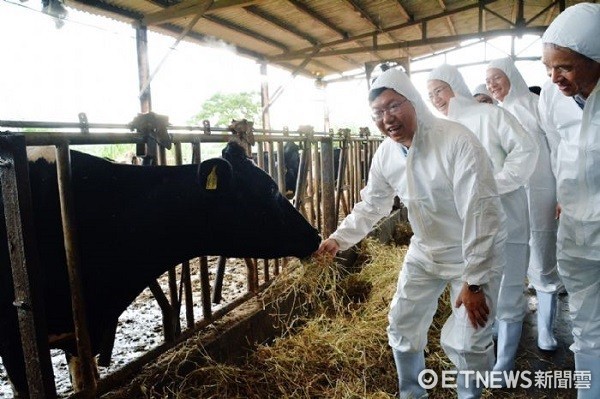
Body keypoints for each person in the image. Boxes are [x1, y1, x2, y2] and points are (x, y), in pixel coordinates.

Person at [316, 67, 506, 399]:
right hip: (425, 251)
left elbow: (481, 213)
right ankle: (412, 393)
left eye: (393, 106)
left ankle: (471, 395)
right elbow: (373, 204)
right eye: (378, 113)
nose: (387, 118)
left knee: (469, 339)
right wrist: (339, 239)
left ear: (414, 102)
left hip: (469, 255)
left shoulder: (456, 141)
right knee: (402, 324)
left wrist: (474, 280)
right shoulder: (386, 153)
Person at [427, 64, 538, 382]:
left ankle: (505, 364)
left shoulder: (492, 116)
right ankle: (480, 357)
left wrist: (497, 182)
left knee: (510, 289)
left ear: (455, 86)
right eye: (430, 93)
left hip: (509, 217)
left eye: (440, 90)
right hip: (468, 226)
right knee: (473, 290)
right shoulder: (441, 130)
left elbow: (526, 149)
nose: (435, 98)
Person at [538, 3, 600, 398]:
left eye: (566, 67)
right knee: (585, 322)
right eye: (549, 68)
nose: (555, 77)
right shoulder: (551, 95)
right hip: (577, 227)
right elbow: (558, 146)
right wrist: (562, 194)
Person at [486, 56, 564, 352]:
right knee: (509, 256)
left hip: (542, 191)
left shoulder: (535, 104)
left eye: (497, 77)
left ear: (511, 75)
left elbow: (557, 146)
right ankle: (506, 318)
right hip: (511, 196)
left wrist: (562, 193)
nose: (492, 85)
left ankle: (546, 330)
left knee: (544, 255)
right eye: (489, 80)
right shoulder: (495, 114)